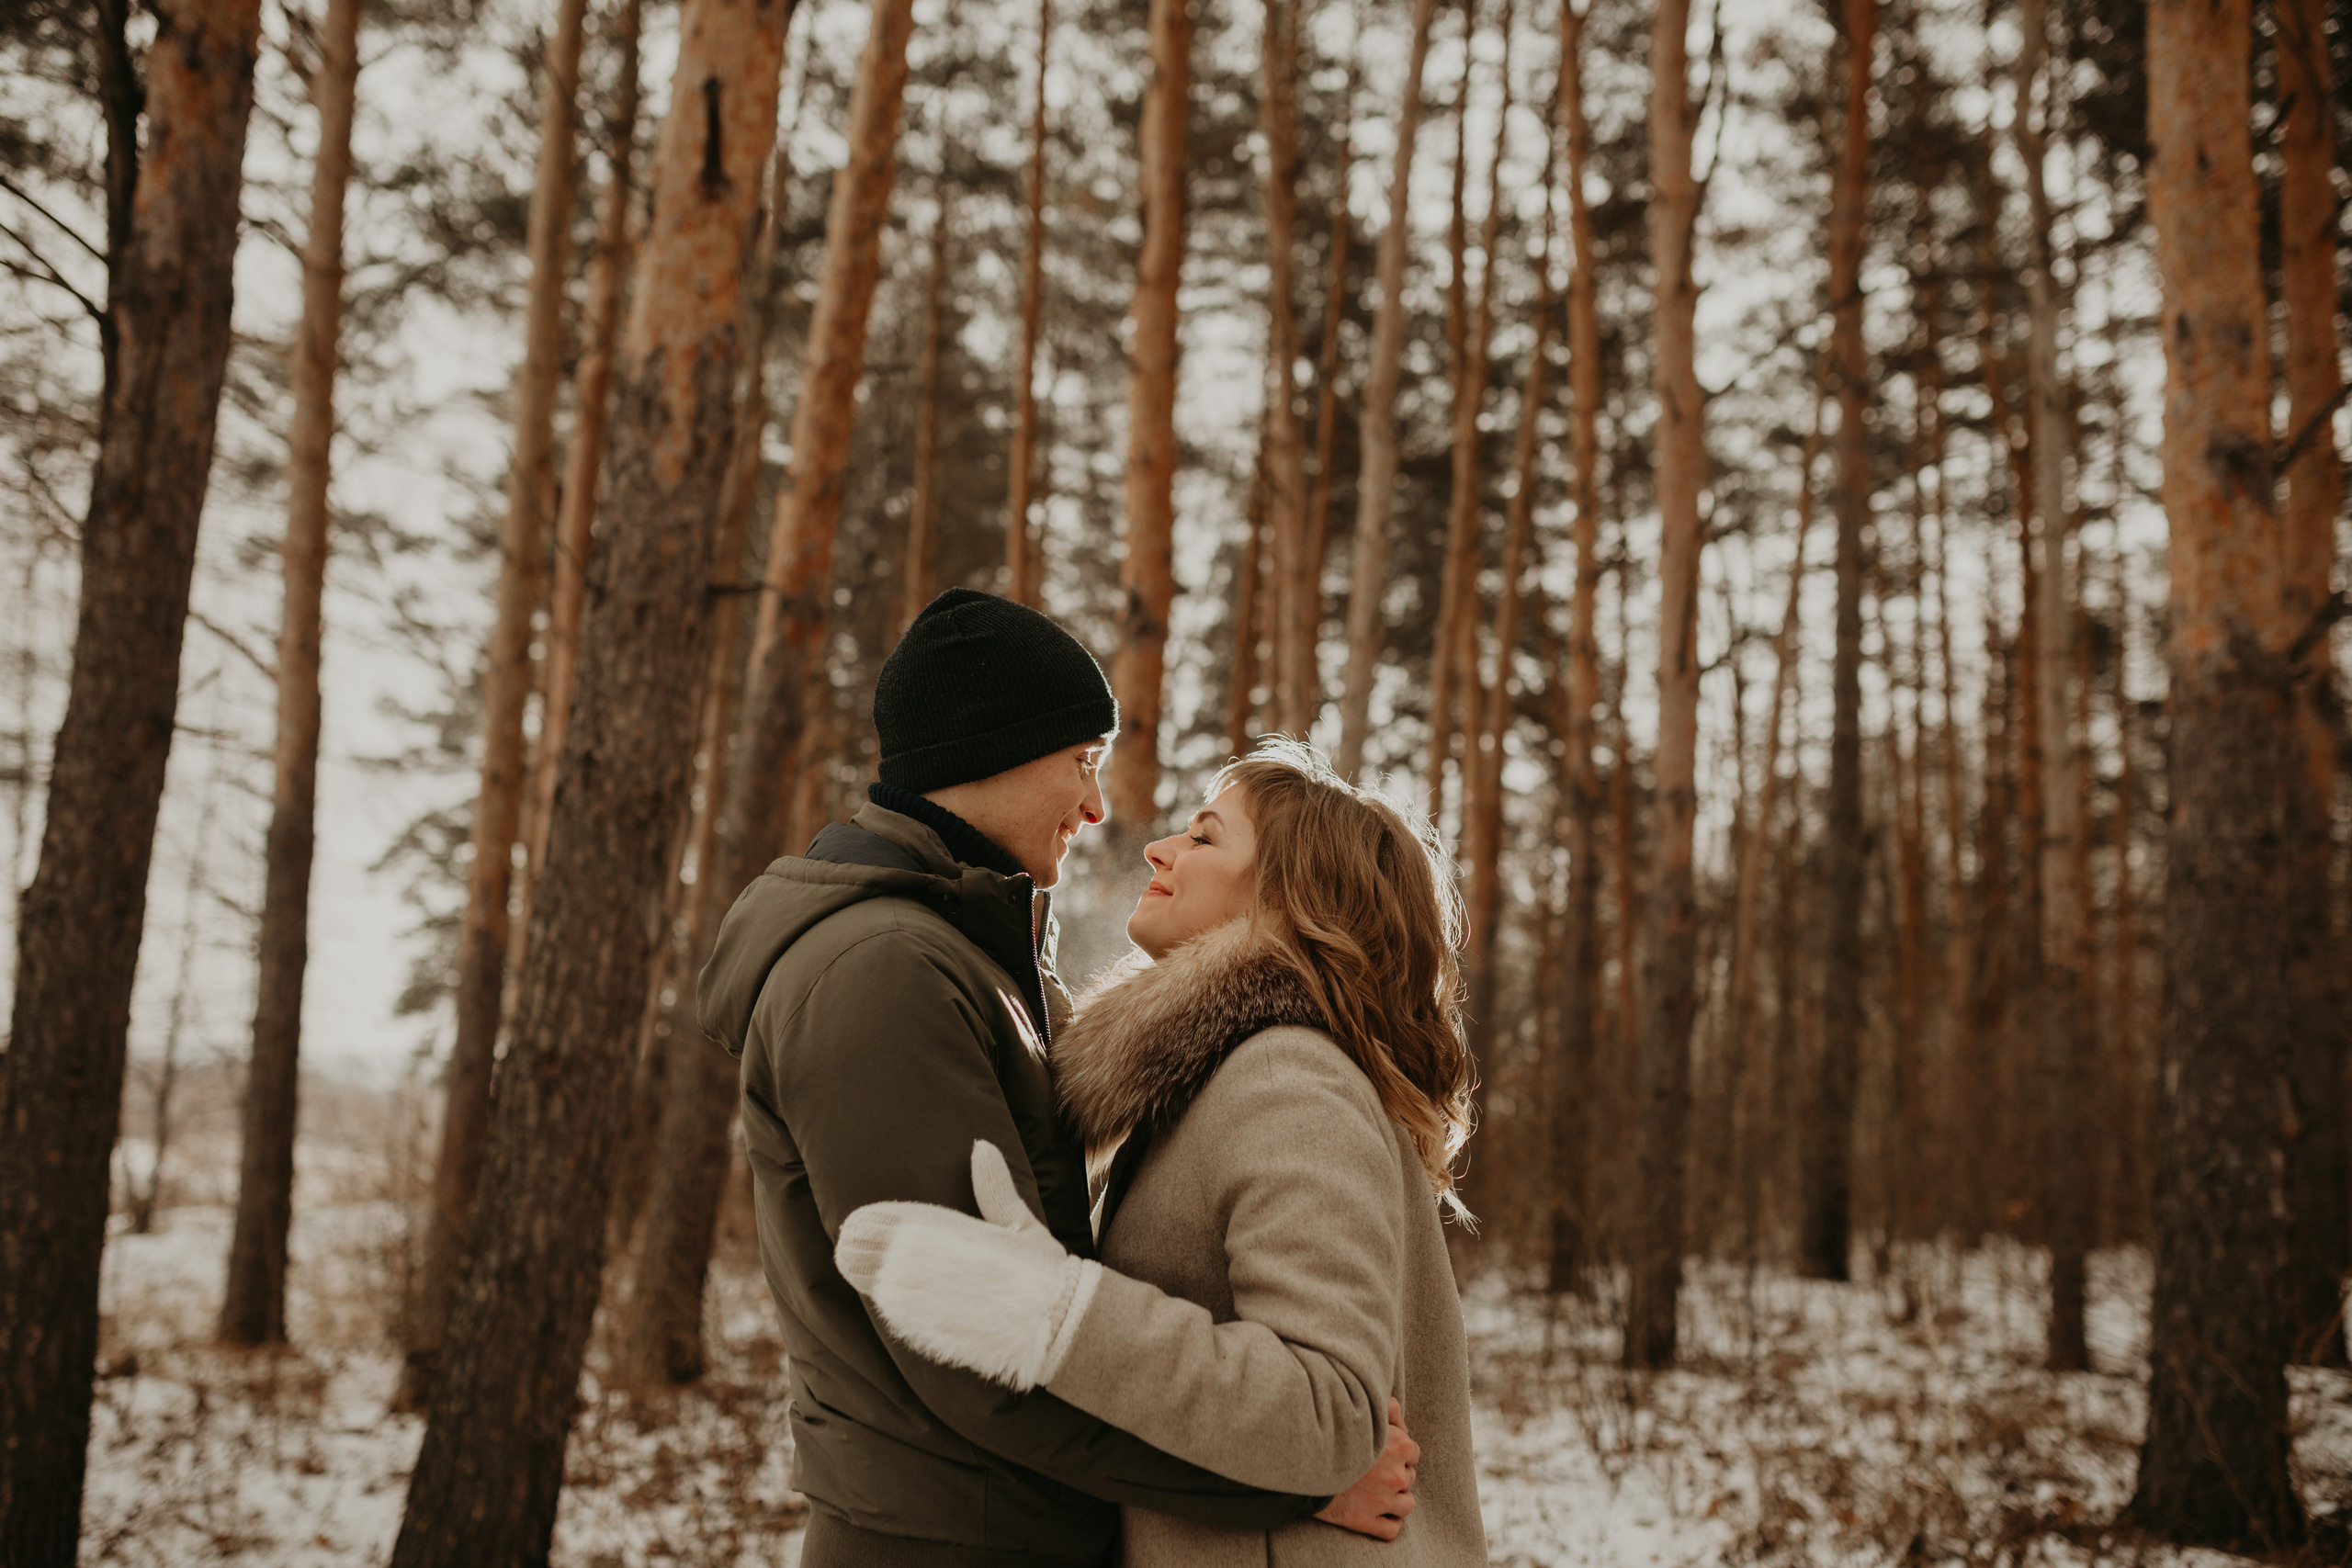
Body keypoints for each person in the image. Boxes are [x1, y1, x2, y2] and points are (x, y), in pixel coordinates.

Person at [696, 592, 1416, 1568]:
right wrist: (1292, 1476)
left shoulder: (978, 959)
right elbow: (972, 1348)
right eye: (1081, 763)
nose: (1098, 807)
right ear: (986, 752)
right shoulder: (885, 972)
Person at [837, 739, 1487, 1566]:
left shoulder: (1290, 1079)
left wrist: (1056, 1311)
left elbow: (1327, 1414)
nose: (1159, 848)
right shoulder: (1216, 1077)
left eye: (1206, 836)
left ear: (1292, 895)